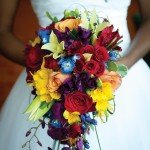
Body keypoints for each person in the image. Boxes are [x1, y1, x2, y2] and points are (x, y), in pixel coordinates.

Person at [0, 0, 150, 150]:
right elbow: (2, 31)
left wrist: (123, 65)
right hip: (50, 77)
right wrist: (43, 62)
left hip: (124, 77)